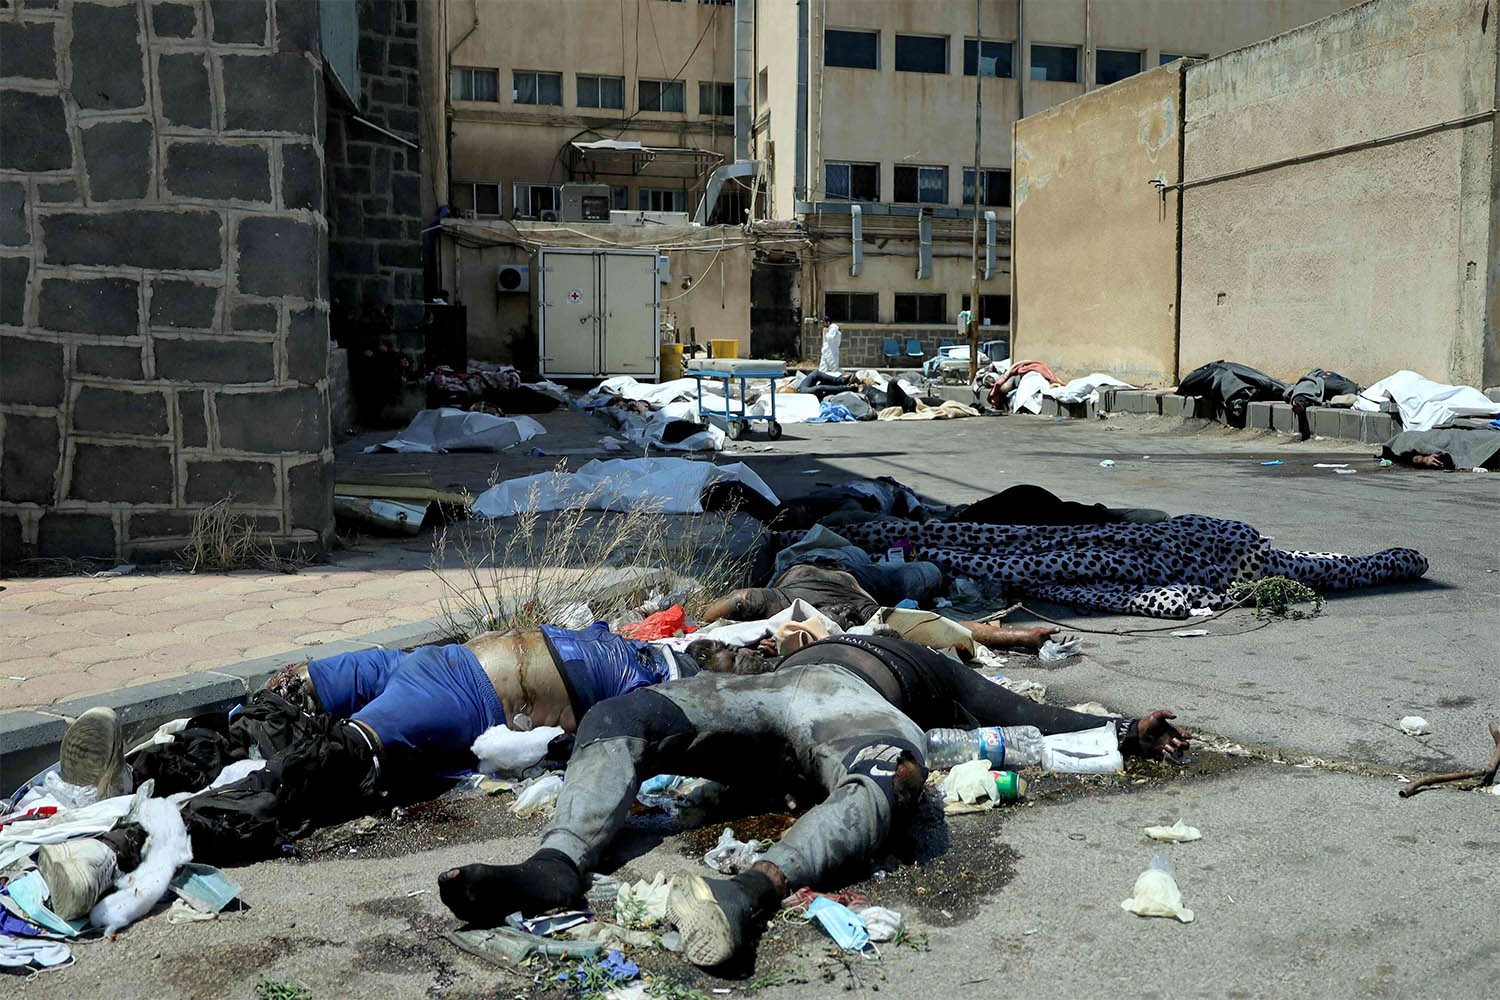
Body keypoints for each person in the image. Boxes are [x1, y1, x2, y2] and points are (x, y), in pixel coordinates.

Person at [437, 634, 1190, 966]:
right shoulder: (843, 646)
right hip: (767, 699)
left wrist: (1121, 731)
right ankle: (557, 865)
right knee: (619, 715)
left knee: (892, 775)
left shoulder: (931, 667)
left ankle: (749, 891)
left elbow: (1010, 710)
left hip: (839, 704)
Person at [33, 622, 710, 912]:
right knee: (276, 713)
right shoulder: (657, 672)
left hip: (453, 683)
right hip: (439, 668)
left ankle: (113, 849)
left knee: (311, 763)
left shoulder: (651, 689)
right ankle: (135, 773)